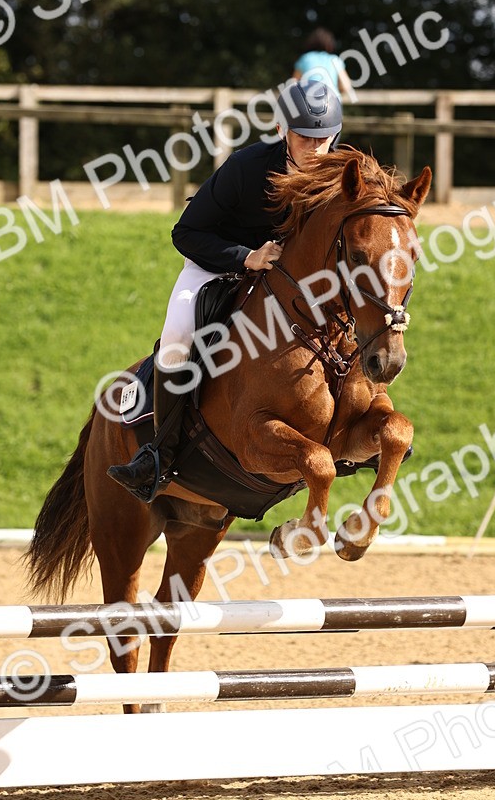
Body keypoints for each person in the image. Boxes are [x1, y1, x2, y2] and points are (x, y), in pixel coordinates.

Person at [107, 80, 344, 498]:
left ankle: (358, 427)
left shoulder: (339, 175)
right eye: (305, 138)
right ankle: (158, 454)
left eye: (323, 138)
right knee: (179, 337)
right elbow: (186, 233)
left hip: (287, 282)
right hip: (216, 267)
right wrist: (245, 257)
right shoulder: (247, 167)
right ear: (283, 131)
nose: (315, 148)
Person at [293, 27, 353, 100]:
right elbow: (346, 87)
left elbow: (293, 85)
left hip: (309, 104)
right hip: (332, 103)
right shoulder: (335, 60)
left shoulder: (305, 58)